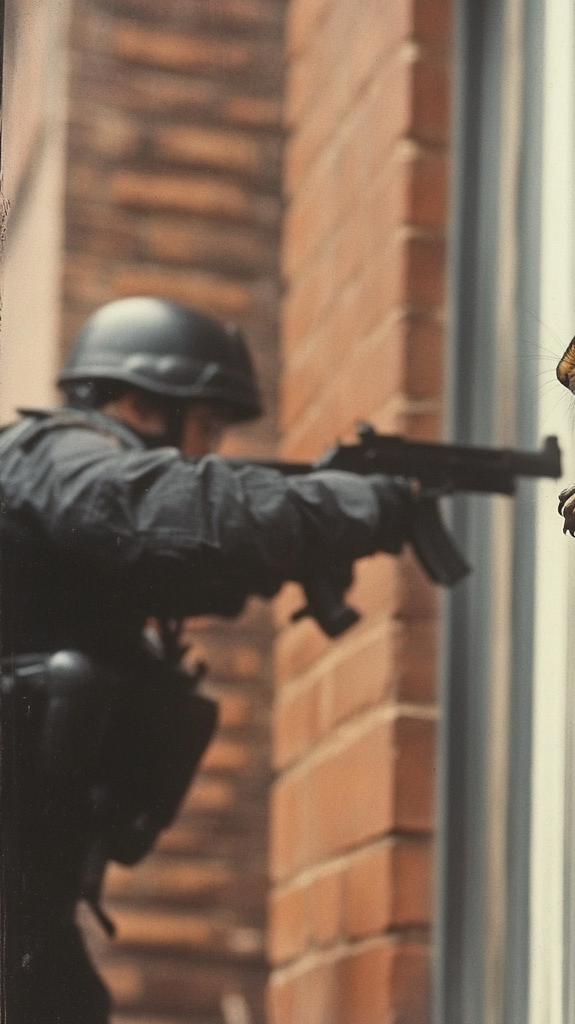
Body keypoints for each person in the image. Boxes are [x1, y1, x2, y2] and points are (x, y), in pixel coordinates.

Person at [0, 296, 414, 1022]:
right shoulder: (53, 452)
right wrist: (334, 506)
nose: (209, 452)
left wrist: (300, 541)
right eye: (206, 428)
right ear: (139, 404)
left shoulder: (72, 517)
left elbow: (183, 558)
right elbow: (156, 511)